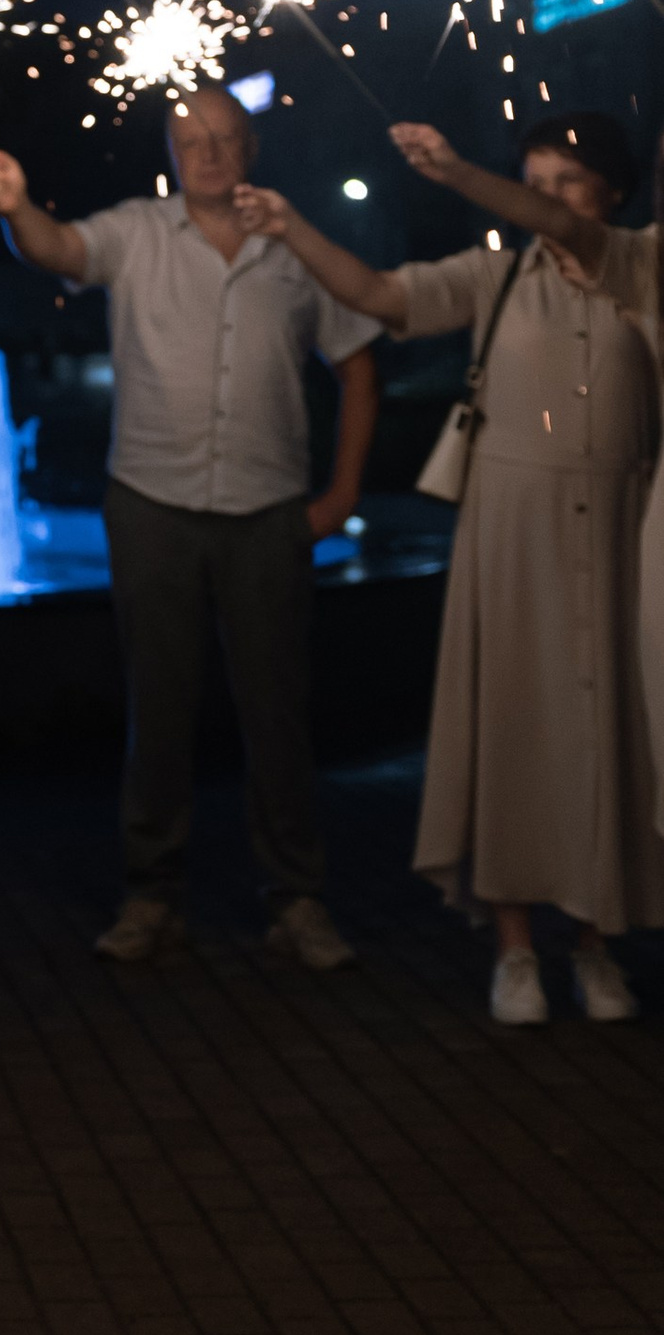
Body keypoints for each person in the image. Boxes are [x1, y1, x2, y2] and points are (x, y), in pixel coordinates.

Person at [243, 113, 660, 1017]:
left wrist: (462, 170)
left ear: (612, 196)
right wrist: (290, 225)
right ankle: (514, 947)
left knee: (608, 734)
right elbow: (383, 297)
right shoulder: (496, 275)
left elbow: (582, 244)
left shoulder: (641, 266)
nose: (547, 203)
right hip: (513, 528)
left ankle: (595, 940)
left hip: (621, 524)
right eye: (535, 181)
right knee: (513, 722)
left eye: (568, 184)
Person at [0, 86, 379, 967]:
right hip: (152, 504)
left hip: (267, 510)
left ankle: (296, 899)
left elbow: (356, 366)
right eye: (191, 140)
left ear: (250, 148)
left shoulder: (293, 244)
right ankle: (153, 894)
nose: (208, 154)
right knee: (159, 708)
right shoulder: (136, 231)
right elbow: (58, 248)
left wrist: (341, 494)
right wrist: (16, 208)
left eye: (224, 139)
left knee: (277, 712)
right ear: (170, 150)